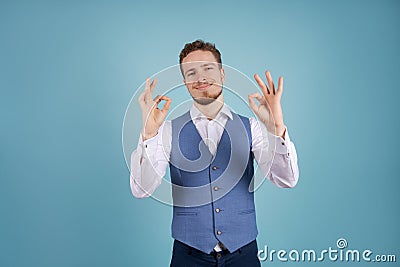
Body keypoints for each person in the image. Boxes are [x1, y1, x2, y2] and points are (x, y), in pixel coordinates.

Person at [130, 40, 299, 267]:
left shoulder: (253, 127)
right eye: (192, 72)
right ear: (185, 82)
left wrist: (276, 128)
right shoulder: (167, 131)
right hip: (188, 256)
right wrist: (149, 135)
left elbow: (287, 180)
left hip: (244, 255)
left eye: (208, 69)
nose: (200, 78)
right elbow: (141, 190)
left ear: (222, 73)